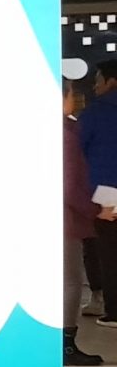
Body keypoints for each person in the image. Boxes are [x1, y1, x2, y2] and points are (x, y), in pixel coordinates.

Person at [70, 74, 107, 366]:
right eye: (71, 92)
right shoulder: (65, 132)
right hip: (74, 214)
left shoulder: (77, 126)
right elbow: (68, 185)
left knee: (74, 278)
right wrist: (94, 210)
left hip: (81, 209)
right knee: (70, 282)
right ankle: (66, 345)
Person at [80, 62, 117, 328]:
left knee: (105, 251)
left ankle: (110, 308)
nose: (95, 86)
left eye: (98, 81)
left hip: (105, 195)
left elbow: (76, 152)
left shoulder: (95, 113)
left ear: (111, 82)